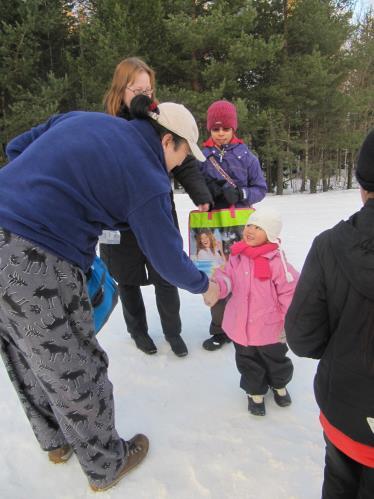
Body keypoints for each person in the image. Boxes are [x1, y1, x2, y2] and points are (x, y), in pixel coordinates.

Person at [0, 99, 219, 492]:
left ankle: (56, 441)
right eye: (183, 154)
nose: (180, 163)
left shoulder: (82, 118)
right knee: (74, 362)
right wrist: (206, 286)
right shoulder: (147, 176)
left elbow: (17, 148)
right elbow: (167, 260)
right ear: (167, 141)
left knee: (22, 348)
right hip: (35, 257)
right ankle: (105, 465)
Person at [100, 57, 212, 357]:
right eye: (137, 89)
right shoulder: (107, 126)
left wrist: (200, 193)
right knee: (126, 279)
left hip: (157, 211)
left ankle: (173, 332)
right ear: (120, 90)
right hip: (120, 223)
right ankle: (138, 332)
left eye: (149, 90)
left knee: (166, 275)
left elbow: (185, 159)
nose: (145, 96)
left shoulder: (160, 118)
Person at [285, 130, 374, 498]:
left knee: (339, 485)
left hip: (344, 410)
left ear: (362, 186)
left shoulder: (328, 246)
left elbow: (303, 337)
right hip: (346, 410)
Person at [211, 207, 298, 415]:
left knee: (276, 360)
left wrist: (290, 323)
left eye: (259, 227)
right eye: (249, 225)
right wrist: (217, 287)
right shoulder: (236, 256)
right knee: (248, 362)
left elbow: (290, 293)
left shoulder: (277, 263)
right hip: (241, 326)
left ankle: (279, 385)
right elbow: (227, 278)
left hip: (269, 328)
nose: (250, 230)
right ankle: (255, 392)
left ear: (270, 234)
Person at [198, 100, 267, 351]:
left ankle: (248, 321)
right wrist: (209, 194)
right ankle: (219, 329)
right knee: (218, 276)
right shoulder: (201, 156)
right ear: (209, 130)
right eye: (216, 129)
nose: (220, 134)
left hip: (242, 227)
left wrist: (241, 195)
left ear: (233, 128)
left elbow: (261, 188)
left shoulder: (246, 156)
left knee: (245, 275)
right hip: (214, 226)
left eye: (225, 129)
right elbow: (192, 183)